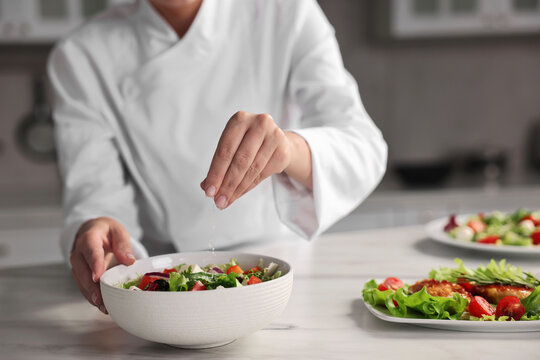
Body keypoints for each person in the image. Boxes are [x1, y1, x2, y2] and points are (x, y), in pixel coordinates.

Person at [48, 0, 387, 314]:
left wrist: (289, 149)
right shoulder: (81, 56)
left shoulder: (285, 11)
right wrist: (99, 236)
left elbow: (364, 148)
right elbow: (96, 197)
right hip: (169, 293)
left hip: (286, 278)